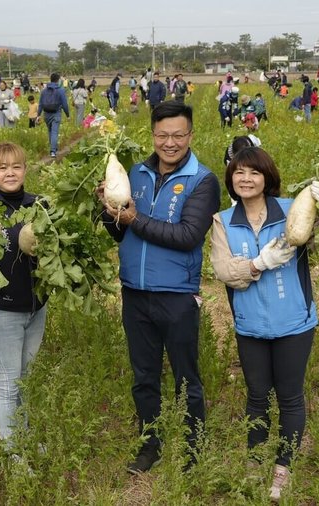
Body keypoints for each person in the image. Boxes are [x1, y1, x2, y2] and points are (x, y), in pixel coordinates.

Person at [99, 102, 221, 474]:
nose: (170, 143)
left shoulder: (203, 180)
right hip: (134, 292)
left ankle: (192, 448)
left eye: (178, 135)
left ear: (190, 136)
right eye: (163, 135)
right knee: (144, 376)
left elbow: (187, 236)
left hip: (177, 296)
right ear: (153, 135)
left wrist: (135, 218)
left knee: (186, 376)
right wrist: (108, 210)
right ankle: (149, 445)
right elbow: (119, 232)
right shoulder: (134, 173)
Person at [210, 146, 319, 501]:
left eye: (254, 172)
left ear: (267, 178)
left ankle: (283, 466)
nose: (246, 179)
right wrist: (259, 262)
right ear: (231, 178)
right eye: (239, 172)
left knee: (290, 396)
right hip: (251, 324)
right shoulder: (223, 221)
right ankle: (255, 460)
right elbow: (225, 272)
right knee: (257, 395)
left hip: (295, 322)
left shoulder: (292, 210)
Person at [0, 142, 48, 449]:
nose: (10, 173)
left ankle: (27, 438)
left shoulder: (39, 204)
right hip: (1, 309)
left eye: (16, 166)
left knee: (26, 381)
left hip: (35, 306)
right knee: (8, 384)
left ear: (25, 169)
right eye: (2, 167)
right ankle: (13, 454)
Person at [37, 72, 70, 158]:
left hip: (46, 114)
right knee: (55, 132)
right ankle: (53, 151)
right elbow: (64, 104)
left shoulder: (44, 91)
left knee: (50, 131)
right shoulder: (60, 90)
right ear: (58, 80)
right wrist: (67, 115)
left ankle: (53, 148)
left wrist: (38, 115)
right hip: (56, 113)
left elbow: (40, 104)